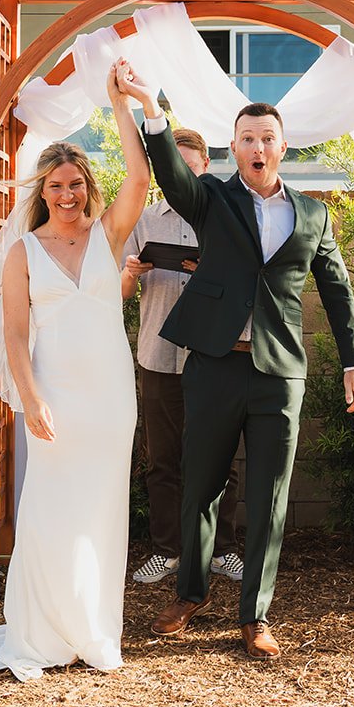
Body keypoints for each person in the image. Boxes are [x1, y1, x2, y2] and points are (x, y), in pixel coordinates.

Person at [133, 69, 354, 660]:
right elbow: (170, 173)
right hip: (213, 363)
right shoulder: (210, 198)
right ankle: (190, 592)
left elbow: (337, 292)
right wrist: (148, 108)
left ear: (282, 146)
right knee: (200, 486)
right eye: (246, 138)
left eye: (266, 138)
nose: (257, 147)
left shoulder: (313, 215)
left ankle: (255, 615)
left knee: (268, 496)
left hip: (278, 374)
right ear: (232, 148)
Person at [0, 59, 151, 680]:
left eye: (75, 185)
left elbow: (141, 177)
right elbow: (14, 335)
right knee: (50, 509)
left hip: (111, 394)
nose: (66, 196)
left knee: (102, 510)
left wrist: (118, 104)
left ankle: (93, 630)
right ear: (41, 193)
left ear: (87, 188)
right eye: (55, 187)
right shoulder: (21, 252)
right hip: (55, 392)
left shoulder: (108, 236)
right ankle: (42, 630)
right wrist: (31, 396)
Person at [121, 125, 244, 587]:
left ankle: (221, 550)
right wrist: (132, 272)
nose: (185, 178)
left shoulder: (226, 218)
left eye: (191, 169)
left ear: (205, 167)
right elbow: (120, 292)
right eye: (176, 170)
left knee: (222, 457)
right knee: (162, 459)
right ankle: (168, 551)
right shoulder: (143, 220)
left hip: (215, 354)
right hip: (158, 353)